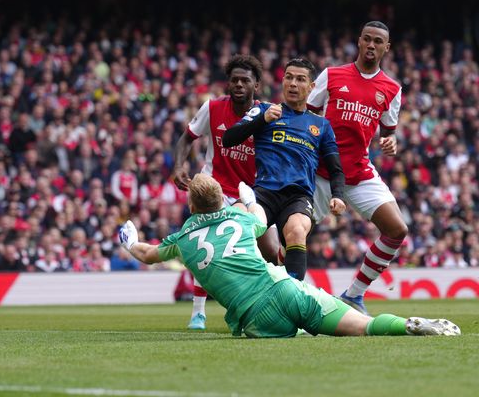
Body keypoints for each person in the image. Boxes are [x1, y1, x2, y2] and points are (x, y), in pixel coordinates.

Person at [118, 174, 460, 338]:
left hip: (255, 317)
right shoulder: (239, 217)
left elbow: (148, 254)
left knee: (297, 336)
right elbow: (261, 220)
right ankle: (409, 325)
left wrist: (130, 242)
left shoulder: (183, 239)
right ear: (219, 200)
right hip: (284, 287)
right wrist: (248, 197)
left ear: (191, 206)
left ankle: (303, 330)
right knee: (365, 327)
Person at [171, 54, 280, 331]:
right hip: (213, 187)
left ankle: (274, 302)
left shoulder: (267, 114)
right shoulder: (213, 107)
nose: (239, 84)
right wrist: (179, 166)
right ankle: (198, 313)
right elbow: (187, 138)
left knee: (271, 250)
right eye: (235, 80)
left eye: (245, 80)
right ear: (228, 83)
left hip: (250, 192)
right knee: (204, 243)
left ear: (256, 83)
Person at [307, 21, 406, 315]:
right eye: (368, 39)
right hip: (321, 173)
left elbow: (389, 134)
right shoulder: (333, 75)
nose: (372, 45)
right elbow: (306, 116)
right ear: (359, 42)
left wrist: (391, 143)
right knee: (293, 237)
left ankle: (353, 295)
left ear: (387, 48)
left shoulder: (392, 89)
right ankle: (275, 300)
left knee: (397, 230)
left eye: (379, 41)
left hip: (359, 172)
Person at [222, 58, 346, 282]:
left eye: (300, 79)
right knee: (237, 222)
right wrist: (261, 119)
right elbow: (228, 139)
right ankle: (243, 290)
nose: (293, 84)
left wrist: (337, 195)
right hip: (264, 193)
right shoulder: (264, 110)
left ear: (311, 87)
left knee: (297, 232)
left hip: (297, 197)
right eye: (289, 77)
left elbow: (336, 169)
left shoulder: (321, 125)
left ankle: (292, 299)